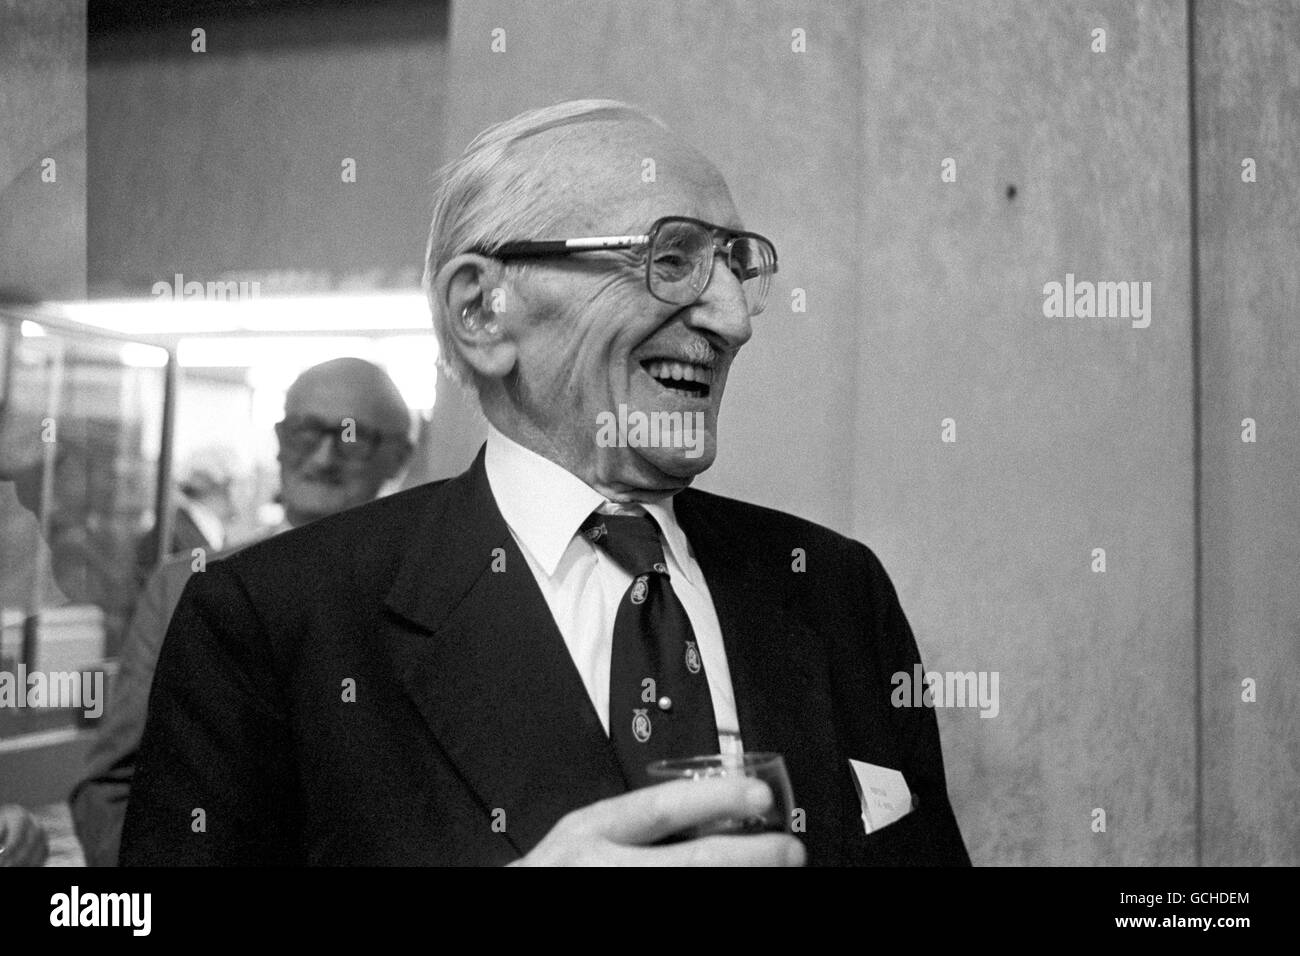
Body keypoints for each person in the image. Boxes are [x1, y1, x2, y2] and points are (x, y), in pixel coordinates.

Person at [121, 100, 969, 866]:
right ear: (483, 313)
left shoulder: (833, 589)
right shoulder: (274, 623)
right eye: (670, 259)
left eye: (738, 266)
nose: (733, 318)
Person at [69, 357, 413, 866]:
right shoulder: (185, 585)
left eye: (351, 437)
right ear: (277, 438)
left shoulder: (433, 596)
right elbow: (114, 784)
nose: (321, 457)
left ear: (399, 458)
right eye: (304, 431)